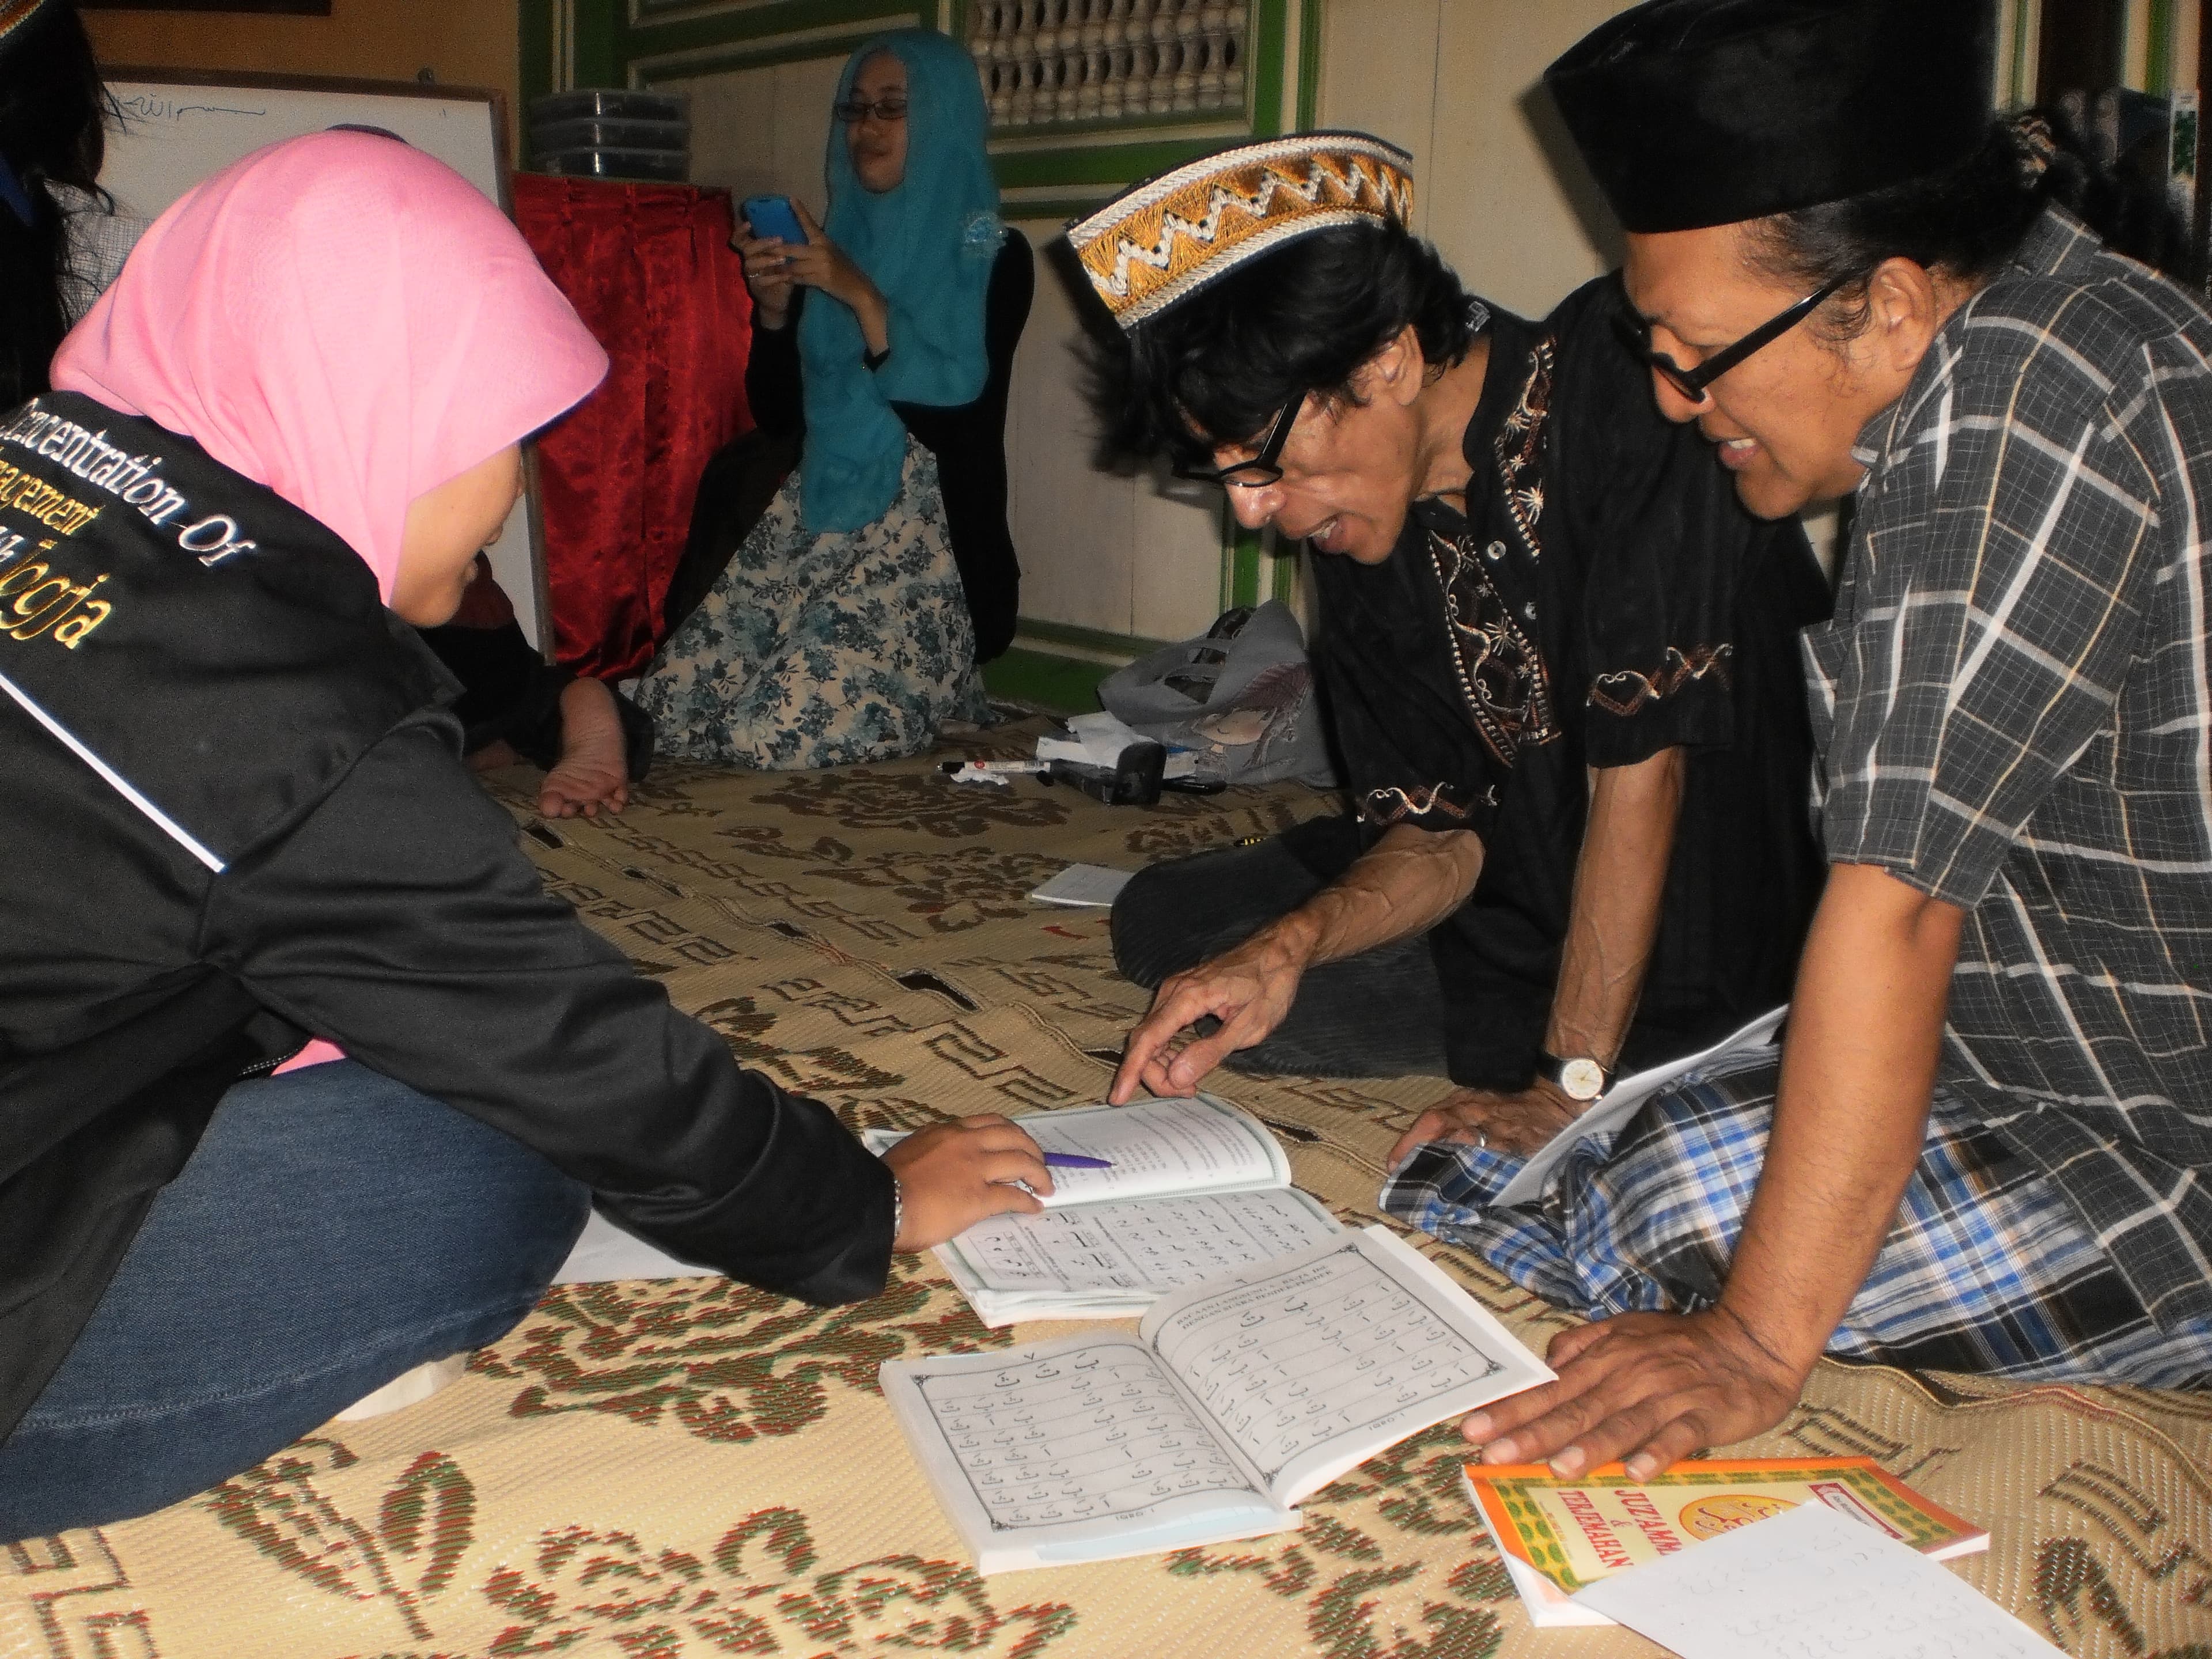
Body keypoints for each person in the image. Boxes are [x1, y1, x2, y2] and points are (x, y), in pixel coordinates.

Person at [0, 131, 1050, 1543]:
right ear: (373, 398)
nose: (512, 484)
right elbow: (576, 1053)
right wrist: (858, 1209)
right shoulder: (273, 709)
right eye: (496, 424)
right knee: (493, 1150)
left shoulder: (44, 474)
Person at [1441, 0, 2212, 1489]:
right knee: (1602, 1145)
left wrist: (1752, 1347)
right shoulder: (2038, 331)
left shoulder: (2024, 403)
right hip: (2030, 1064)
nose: (1676, 401)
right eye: (1652, 351)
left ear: (1892, 301)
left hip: (2164, 1134)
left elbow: (1900, 906)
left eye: (1699, 354)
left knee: (1662, 1206)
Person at [1070, 135, 1828, 1149]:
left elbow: (1643, 778)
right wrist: (1289, 947)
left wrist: (1566, 1090)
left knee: (1275, 1000)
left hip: (1701, 923)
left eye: (1263, 462)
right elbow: (1438, 829)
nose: (1252, 514)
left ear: (1387, 358)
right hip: (1521, 868)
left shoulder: (1622, 384)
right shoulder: (1359, 506)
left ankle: (1619, 1053)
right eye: (1229, 477)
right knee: (1171, 927)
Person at [635, 30, 1032, 770]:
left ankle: (931, 683)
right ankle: (908, 686)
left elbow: (959, 424)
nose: (867, 129)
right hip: (813, 526)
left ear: (941, 118)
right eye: (854, 109)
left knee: (772, 731)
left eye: (891, 109)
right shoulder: (839, 241)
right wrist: (776, 310)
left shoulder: (992, 256)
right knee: (667, 714)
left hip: (926, 545)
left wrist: (856, 290)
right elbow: (782, 418)